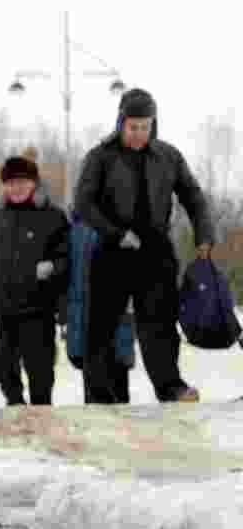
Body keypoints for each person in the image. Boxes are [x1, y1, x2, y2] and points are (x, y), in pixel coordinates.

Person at [75, 87, 214, 403]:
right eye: (133, 126)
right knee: (101, 325)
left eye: (145, 126)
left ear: (153, 124)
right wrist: (114, 233)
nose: (139, 133)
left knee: (160, 323)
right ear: (121, 122)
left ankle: (170, 387)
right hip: (112, 250)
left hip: (155, 251)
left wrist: (203, 236)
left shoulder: (168, 156)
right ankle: (98, 393)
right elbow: (83, 203)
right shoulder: (100, 157)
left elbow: (193, 196)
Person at [0, 155, 69, 406]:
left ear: (33, 183)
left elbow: (66, 258)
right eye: (10, 182)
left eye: (22, 181)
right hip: (5, 309)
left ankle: (42, 416)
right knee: (7, 373)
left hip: (38, 309)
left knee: (40, 371)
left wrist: (53, 266)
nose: (16, 187)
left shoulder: (53, 217)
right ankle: (16, 412)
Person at [65, 211, 136, 403]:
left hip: (109, 319)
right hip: (88, 319)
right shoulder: (71, 231)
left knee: (110, 383)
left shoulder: (72, 231)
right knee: (101, 383)